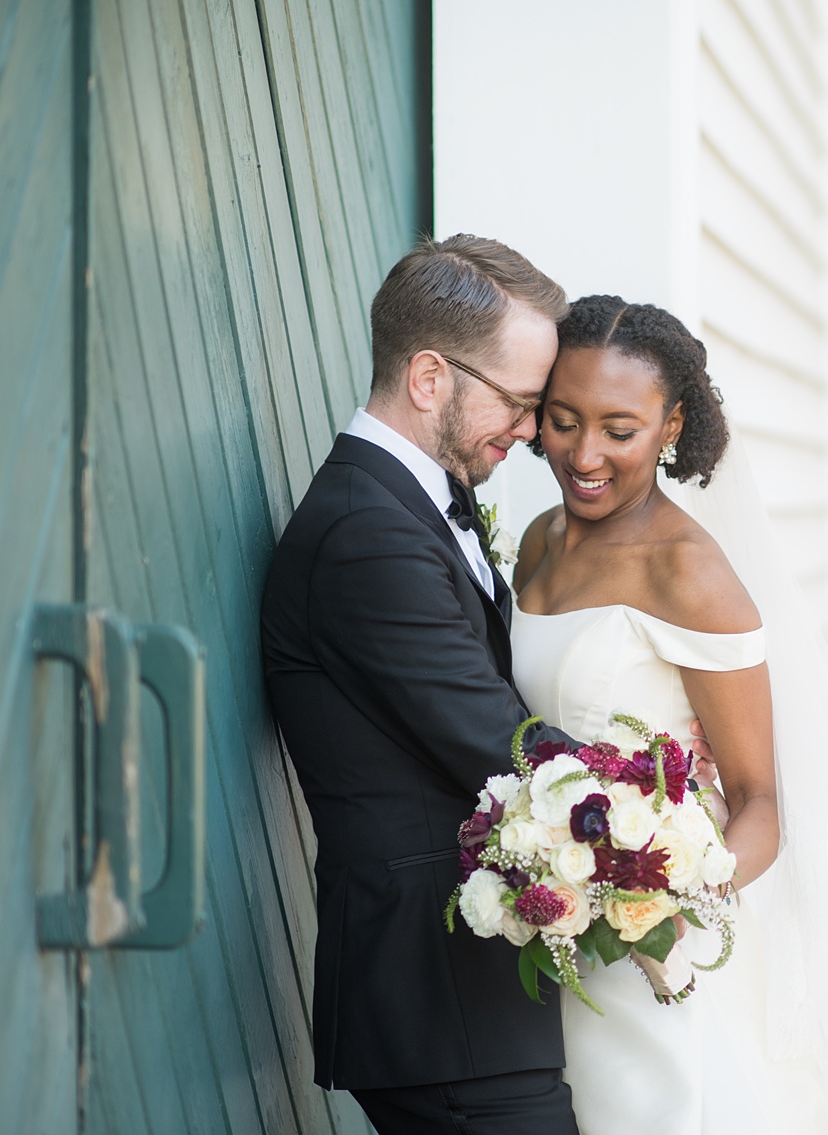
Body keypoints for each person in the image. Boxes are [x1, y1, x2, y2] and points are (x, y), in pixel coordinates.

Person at [511, 296, 828, 1134]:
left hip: (659, 942)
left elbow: (760, 804)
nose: (584, 454)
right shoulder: (540, 540)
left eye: (620, 428)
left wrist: (663, 903)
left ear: (671, 425)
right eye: (562, 419)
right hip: (555, 926)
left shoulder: (690, 575)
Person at [261, 235, 584, 1134]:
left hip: (471, 1004)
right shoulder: (367, 533)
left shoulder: (411, 502)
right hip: (440, 996)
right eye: (518, 403)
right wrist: (657, 790)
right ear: (431, 377)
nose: (528, 432)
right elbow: (499, 742)